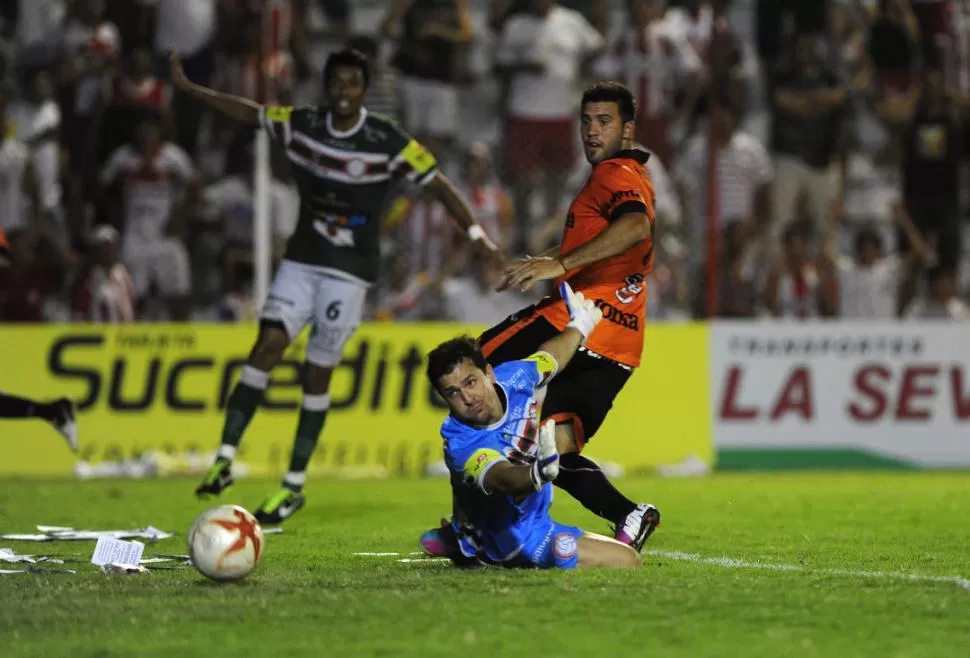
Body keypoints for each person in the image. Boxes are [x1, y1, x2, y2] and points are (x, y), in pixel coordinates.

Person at [171, 47, 503, 524]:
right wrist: (193, 91)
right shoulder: (303, 123)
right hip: (302, 261)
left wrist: (477, 236)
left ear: (364, 90)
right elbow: (251, 113)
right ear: (327, 88)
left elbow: (440, 185)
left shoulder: (385, 139)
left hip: (349, 273)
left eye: (353, 83)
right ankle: (224, 456)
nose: (344, 92)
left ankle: (292, 486)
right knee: (266, 346)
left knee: (316, 374)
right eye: (337, 83)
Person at [423, 81, 661, 553]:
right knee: (553, 443)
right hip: (620, 343)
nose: (592, 132)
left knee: (469, 374)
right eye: (586, 121)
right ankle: (630, 514)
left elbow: (635, 227)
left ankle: (467, 525)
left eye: (605, 121)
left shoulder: (614, 174)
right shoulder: (632, 175)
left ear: (628, 128)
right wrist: (549, 257)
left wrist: (560, 265)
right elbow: (607, 244)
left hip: (574, 319)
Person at [424, 282, 640, 570]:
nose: (467, 398)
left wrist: (579, 325)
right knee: (627, 562)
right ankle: (473, 546)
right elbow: (502, 478)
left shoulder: (513, 377)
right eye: (452, 393)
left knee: (625, 558)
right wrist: (538, 472)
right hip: (512, 539)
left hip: (532, 518)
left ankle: (459, 537)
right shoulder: (461, 441)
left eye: (470, 382)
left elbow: (550, 358)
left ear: (489, 373)